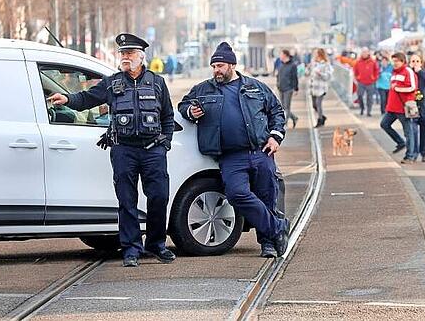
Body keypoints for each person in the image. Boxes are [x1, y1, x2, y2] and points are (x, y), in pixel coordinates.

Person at [47, 33, 176, 268]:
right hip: (123, 150)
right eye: (122, 54)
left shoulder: (157, 83)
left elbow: (168, 116)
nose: (125, 58)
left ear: (141, 57)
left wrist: (165, 143)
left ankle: (156, 245)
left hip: (152, 151)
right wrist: (66, 98)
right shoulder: (112, 82)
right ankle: (131, 250)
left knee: (158, 197)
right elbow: (86, 99)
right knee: (127, 201)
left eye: (129, 54)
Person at [178, 42, 289, 259]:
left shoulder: (256, 87)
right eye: (214, 67)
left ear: (232, 65)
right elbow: (183, 106)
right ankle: (278, 227)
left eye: (220, 66)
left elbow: (276, 111)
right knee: (236, 194)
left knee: (267, 196)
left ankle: (268, 243)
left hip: (261, 152)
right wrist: (191, 111)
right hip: (230, 156)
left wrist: (276, 137)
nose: (216, 70)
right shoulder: (204, 89)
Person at [380, 52, 419, 164]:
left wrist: (398, 88)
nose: (395, 63)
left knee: (408, 132)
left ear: (402, 61)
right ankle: (400, 142)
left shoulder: (408, 72)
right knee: (384, 124)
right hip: (392, 107)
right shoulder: (393, 73)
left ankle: (409, 156)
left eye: (397, 61)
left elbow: (412, 87)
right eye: (394, 61)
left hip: (403, 107)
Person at [409, 54, 425, 162]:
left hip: (423, 106)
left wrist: (419, 71)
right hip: (412, 106)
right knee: (413, 131)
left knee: (424, 131)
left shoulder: (424, 73)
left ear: (421, 63)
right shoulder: (408, 73)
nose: (415, 63)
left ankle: (424, 153)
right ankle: (414, 152)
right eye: (413, 61)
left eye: (417, 61)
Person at [309, 48, 333, 128]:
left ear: (320, 54)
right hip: (313, 87)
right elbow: (309, 73)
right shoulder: (313, 63)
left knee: (318, 104)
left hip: (321, 88)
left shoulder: (326, 64)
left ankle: (320, 120)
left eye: (316, 53)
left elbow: (328, 76)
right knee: (314, 105)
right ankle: (322, 116)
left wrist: (320, 74)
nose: (314, 55)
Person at [353, 47, 379, 117]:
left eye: (365, 52)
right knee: (360, 95)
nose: (364, 53)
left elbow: (377, 70)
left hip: (370, 82)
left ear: (368, 53)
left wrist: (374, 78)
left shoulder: (373, 61)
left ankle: (369, 111)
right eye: (363, 52)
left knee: (369, 98)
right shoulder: (358, 61)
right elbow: (355, 70)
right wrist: (357, 77)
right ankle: (362, 108)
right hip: (361, 82)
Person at [276, 49, 299, 129]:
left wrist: (296, 88)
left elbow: (294, 77)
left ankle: (285, 124)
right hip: (281, 88)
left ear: (285, 55)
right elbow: (278, 76)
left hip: (288, 88)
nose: (280, 56)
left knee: (287, 107)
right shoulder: (280, 65)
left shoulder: (293, 65)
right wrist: (278, 84)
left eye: (281, 55)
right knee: (283, 107)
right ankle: (294, 118)